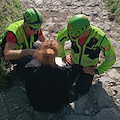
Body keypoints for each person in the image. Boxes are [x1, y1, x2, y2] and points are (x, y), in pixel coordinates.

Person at [57, 14, 116, 95]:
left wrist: (97, 70)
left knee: (82, 89)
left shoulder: (99, 37)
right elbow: (59, 39)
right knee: (65, 83)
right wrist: (63, 56)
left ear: (83, 32)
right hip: (73, 62)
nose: (70, 37)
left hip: (89, 67)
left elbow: (111, 58)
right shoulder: (72, 31)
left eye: (73, 37)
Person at [25, 40, 73, 113]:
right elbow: (66, 90)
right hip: (56, 107)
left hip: (36, 105)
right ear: (56, 54)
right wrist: (66, 101)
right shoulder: (64, 71)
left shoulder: (32, 71)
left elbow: (28, 88)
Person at [0, 8, 46, 72]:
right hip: (14, 53)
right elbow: (7, 54)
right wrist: (30, 52)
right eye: (33, 29)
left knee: (42, 50)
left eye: (37, 29)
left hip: (26, 46)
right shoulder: (13, 32)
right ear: (25, 24)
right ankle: (18, 70)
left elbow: (44, 41)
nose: (36, 32)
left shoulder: (35, 27)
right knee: (30, 62)